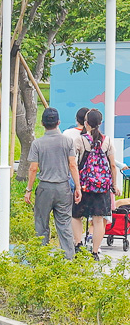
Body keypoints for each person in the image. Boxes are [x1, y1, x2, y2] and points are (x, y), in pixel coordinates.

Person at [24, 107, 81, 260]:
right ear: (58, 122)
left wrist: (29, 189)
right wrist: (78, 187)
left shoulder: (37, 143)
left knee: (41, 224)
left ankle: (41, 258)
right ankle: (69, 259)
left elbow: (33, 168)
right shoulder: (67, 141)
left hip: (45, 188)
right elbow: (73, 165)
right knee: (64, 224)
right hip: (63, 187)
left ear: (42, 123)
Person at [72, 109, 120, 259]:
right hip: (102, 187)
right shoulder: (107, 141)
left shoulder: (80, 140)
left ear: (86, 123)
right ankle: (95, 252)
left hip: (84, 185)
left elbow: (73, 163)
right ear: (100, 123)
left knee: (76, 215)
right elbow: (113, 165)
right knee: (99, 219)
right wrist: (114, 184)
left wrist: (77, 186)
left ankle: (78, 245)